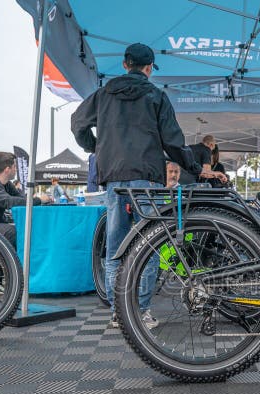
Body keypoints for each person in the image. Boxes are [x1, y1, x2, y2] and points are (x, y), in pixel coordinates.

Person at [71, 42, 218, 329]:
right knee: (149, 245)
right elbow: (173, 142)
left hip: (114, 178)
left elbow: (77, 123)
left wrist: (96, 147)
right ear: (149, 68)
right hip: (148, 181)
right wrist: (196, 169)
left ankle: (118, 313)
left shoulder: (103, 94)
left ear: (125, 64)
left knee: (115, 248)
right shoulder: (156, 96)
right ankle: (141, 311)